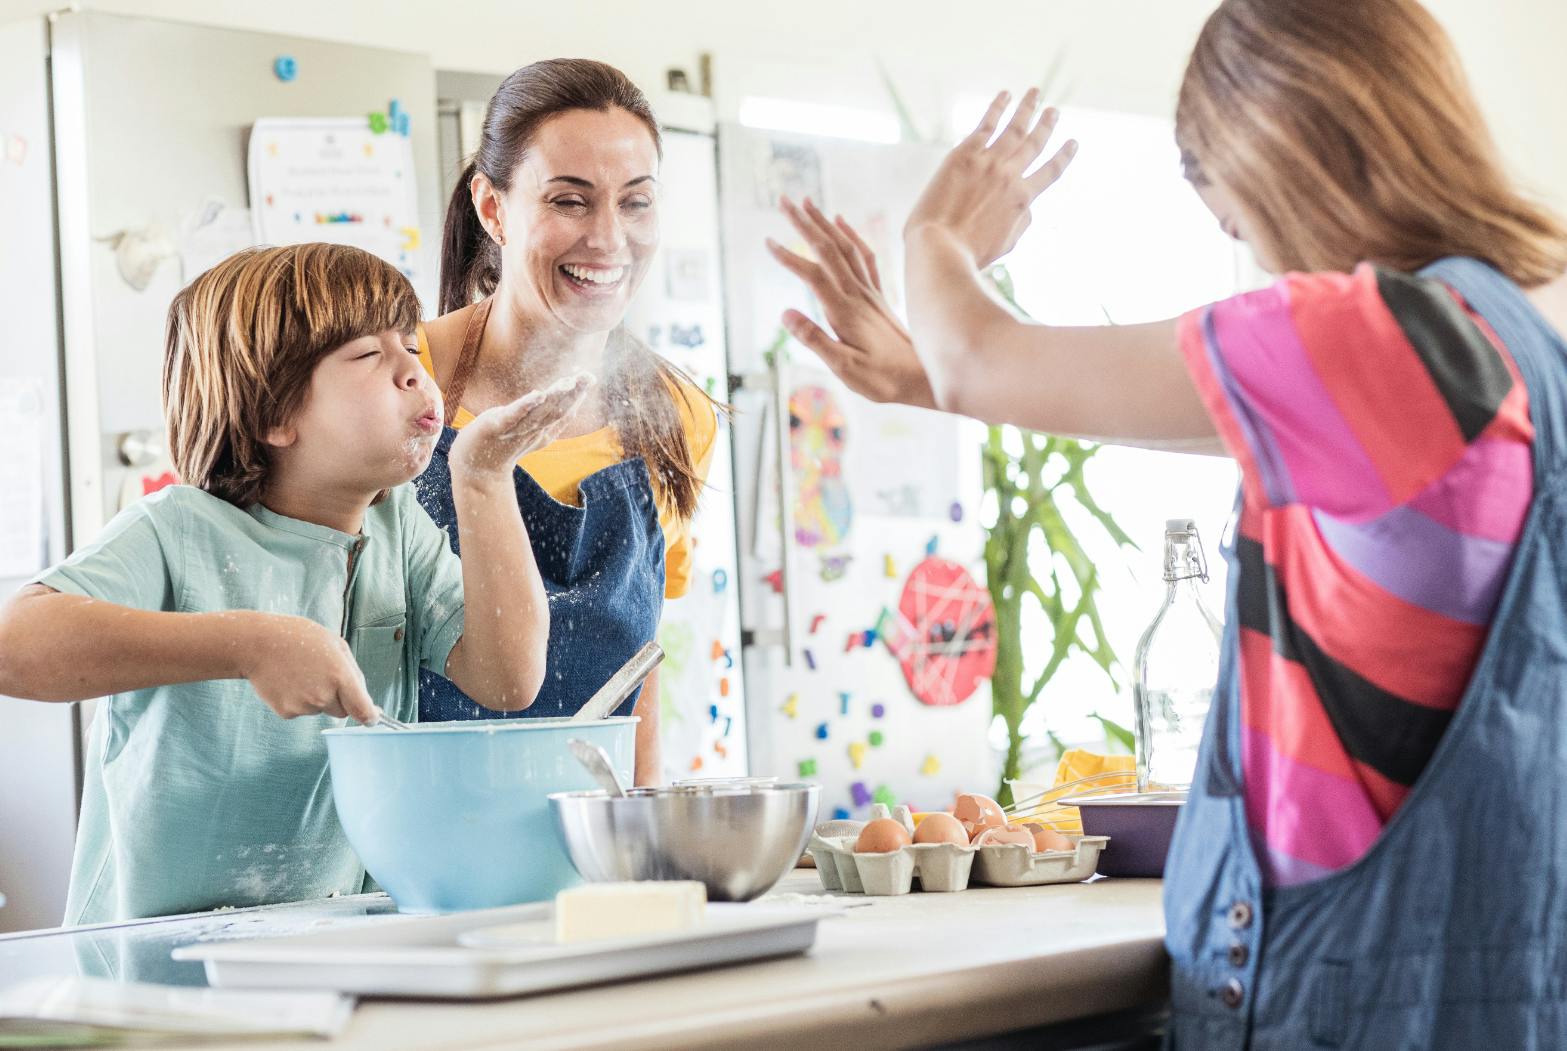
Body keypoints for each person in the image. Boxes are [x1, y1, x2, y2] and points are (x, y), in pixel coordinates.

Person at [770, 0, 1567, 1044]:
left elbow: (978, 351)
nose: (1238, 235)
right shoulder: (1507, 339)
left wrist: (940, 235)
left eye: (1218, 195)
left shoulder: (1361, 335)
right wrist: (939, 382)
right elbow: (1197, 422)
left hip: (1343, 1001)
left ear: (1274, 142)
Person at [0, 244, 587, 924]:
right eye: (369, 355)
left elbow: (508, 675)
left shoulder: (398, 531)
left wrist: (481, 477)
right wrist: (248, 644)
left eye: (411, 346)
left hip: (327, 943)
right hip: (153, 962)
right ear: (274, 415)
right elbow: (16, 644)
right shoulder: (181, 530)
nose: (413, 372)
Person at [416, 58, 720, 785]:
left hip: (589, 835)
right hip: (409, 835)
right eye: (570, 201)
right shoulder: (402, 377)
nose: (609, 239)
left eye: (635, 202)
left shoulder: (676, 415)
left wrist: (642, 832)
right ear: (493, 209)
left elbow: (640, 667)